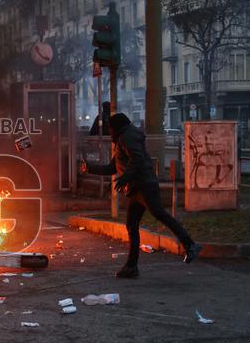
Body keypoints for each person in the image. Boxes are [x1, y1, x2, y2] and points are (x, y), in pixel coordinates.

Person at [80, 113, 202, 278]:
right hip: (137, 187)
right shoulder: (124, 138)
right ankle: (131, 267)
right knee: (133, 224)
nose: (110, 133)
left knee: (159, 214)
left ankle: (190, 245)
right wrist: (90, 168)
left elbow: (136, 160)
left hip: (144, 186)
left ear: (117, 128)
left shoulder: (127, 138)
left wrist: (124, 178)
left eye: (110, 129)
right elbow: (113, 167)